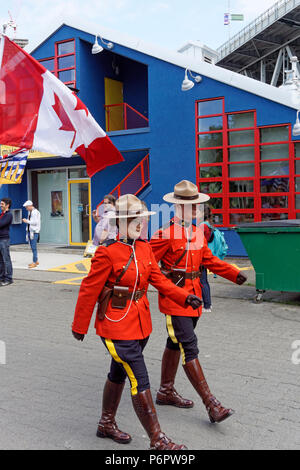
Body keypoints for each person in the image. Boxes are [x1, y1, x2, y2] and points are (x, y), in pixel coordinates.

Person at [71, 194, 202, 450]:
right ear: (119, 223)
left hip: (140, 323)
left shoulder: (144, 248)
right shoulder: (107, 253)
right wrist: (79, 326)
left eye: (142, 219)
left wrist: (185, 297)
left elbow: (160, 281)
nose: (140, 224)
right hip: (115, 324)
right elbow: (89, 289)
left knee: (117, 371)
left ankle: (105, 423)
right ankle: (158, 439)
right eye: (134, 219)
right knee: (139, 378)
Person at [150, 180, 247, 423]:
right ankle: (211, 404)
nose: (196, 210)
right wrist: (166, 286)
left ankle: (165, 391)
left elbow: (210, 260)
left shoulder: (196, 232)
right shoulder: (164, 234)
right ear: (178, 207)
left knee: (175, 343)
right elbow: (148, 266)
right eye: (192, 206)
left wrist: (234, 274)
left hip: (194, 299)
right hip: (175, 299)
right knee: (189, 346)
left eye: (197, 206)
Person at [200, 205, 214, 313]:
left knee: (202, 281)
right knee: (204, 281)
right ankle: (208, 303)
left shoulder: (202, 226)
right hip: (206, 253)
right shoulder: (209, 225)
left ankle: (207, 305)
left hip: (200, 255)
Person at [22, 200, 41, 268]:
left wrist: (26, 221)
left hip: (34, 232)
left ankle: (34, 262)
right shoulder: (31, 212)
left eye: (27, 207)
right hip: (31, 231)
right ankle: (36, 261)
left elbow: (35, 222)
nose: (26, 208)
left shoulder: (35, 212)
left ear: (30, 206)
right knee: (33, 247)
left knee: (33, 247)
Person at [0, 198, 13, 286]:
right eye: (0, 204)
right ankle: (1, 277)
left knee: (6, 259)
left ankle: (8, 278)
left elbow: (1, 224)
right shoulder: (1, 214)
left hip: (4, 239)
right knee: (0, 260)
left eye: (2, 204)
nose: (1, 205)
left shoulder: (8, 215)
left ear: (7, 205)